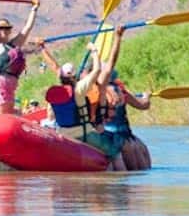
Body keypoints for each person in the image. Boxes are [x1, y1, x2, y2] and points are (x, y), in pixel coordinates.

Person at [94, 25, 152, 170]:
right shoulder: (121, 90)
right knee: (142, 163)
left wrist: (118, 38)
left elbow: (110, 63)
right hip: (129, 137)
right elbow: (144, 105)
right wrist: (147, 96)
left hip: (112, 136)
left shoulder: (98, 89)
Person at [39, 42, 101, 142]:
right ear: (74, 76)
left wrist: (42, 48)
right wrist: (94, 50)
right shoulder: (79, 88)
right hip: (84, 134)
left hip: (63, 136)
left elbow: (54, 66)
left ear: (61, 77)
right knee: (114, 150)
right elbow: (97, 70)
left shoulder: (55, 93)